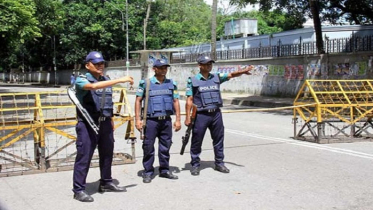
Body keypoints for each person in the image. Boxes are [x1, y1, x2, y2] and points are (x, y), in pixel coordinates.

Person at [72, 51, 134, 202]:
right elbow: (92, 87)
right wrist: (120, 80)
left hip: (105, 122)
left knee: (107, 154)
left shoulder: (106, 79)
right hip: (87, 123)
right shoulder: (81, 80)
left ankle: (106, 182)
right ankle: (78, 189)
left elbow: (107, 102)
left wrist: (110, 120)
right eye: (96, 63)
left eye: (102, 63)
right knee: (84, 156)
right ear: (88, 65)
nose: (100, 66)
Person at [184, 55, 253, 176]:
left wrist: (243, 71)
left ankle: (219, 163)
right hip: (201, 115)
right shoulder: (193, 80)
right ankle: (195, 164)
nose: (209, 66)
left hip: (216, 113)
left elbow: (231, 75)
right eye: (206, 64)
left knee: (218, 139)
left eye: (210, 64)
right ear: (199, 65)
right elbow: (189, 99)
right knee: (197, 140)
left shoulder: (216, 77)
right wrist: (187, 117)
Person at [135, 59, 181, 183]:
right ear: (154, 69)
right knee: (148, 147)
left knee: (165, 147)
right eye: (160, 67)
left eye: (165, 67)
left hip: (166, 120)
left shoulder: (171, 83)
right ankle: (148, 172)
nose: (163, 70)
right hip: (150, 121)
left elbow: (175, 101)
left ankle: (164, 170)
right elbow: (138, 100)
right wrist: (138, 119)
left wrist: (178, 120)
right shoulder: (146, 83)